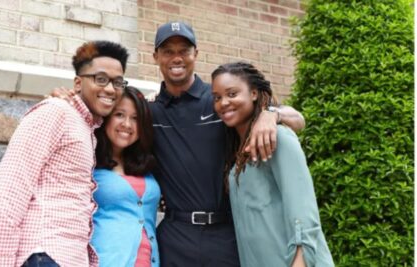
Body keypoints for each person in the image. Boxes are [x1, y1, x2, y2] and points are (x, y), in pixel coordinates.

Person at [151, 21, 306, 266]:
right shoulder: (150, 112)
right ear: (156, 57)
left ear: (196, 54)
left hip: (226, 235)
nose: (176, 57)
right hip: (175, 236)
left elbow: (299, 120)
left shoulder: (218, 101)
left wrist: (272, 114)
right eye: (168, 51)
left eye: (184, 50)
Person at [0, 40, 129, 267]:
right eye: (101, 79)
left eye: (118, 82)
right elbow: (10, 188)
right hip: (45, 254)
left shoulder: (87, 126)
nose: (111, 89)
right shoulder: (55, 111)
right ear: (78, 83)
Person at [211, 61, 334, 267]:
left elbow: (304, 215)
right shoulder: (237, 151)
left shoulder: (279, 138)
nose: (223, 103)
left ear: (254, 94)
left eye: (232, 94)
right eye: (217, 98)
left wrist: (272, 113)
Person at [91, 86, 161, 267]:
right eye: (119, 114)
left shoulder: (144, 165)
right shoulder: (88, 162)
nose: (127, 124)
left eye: (135, 118)